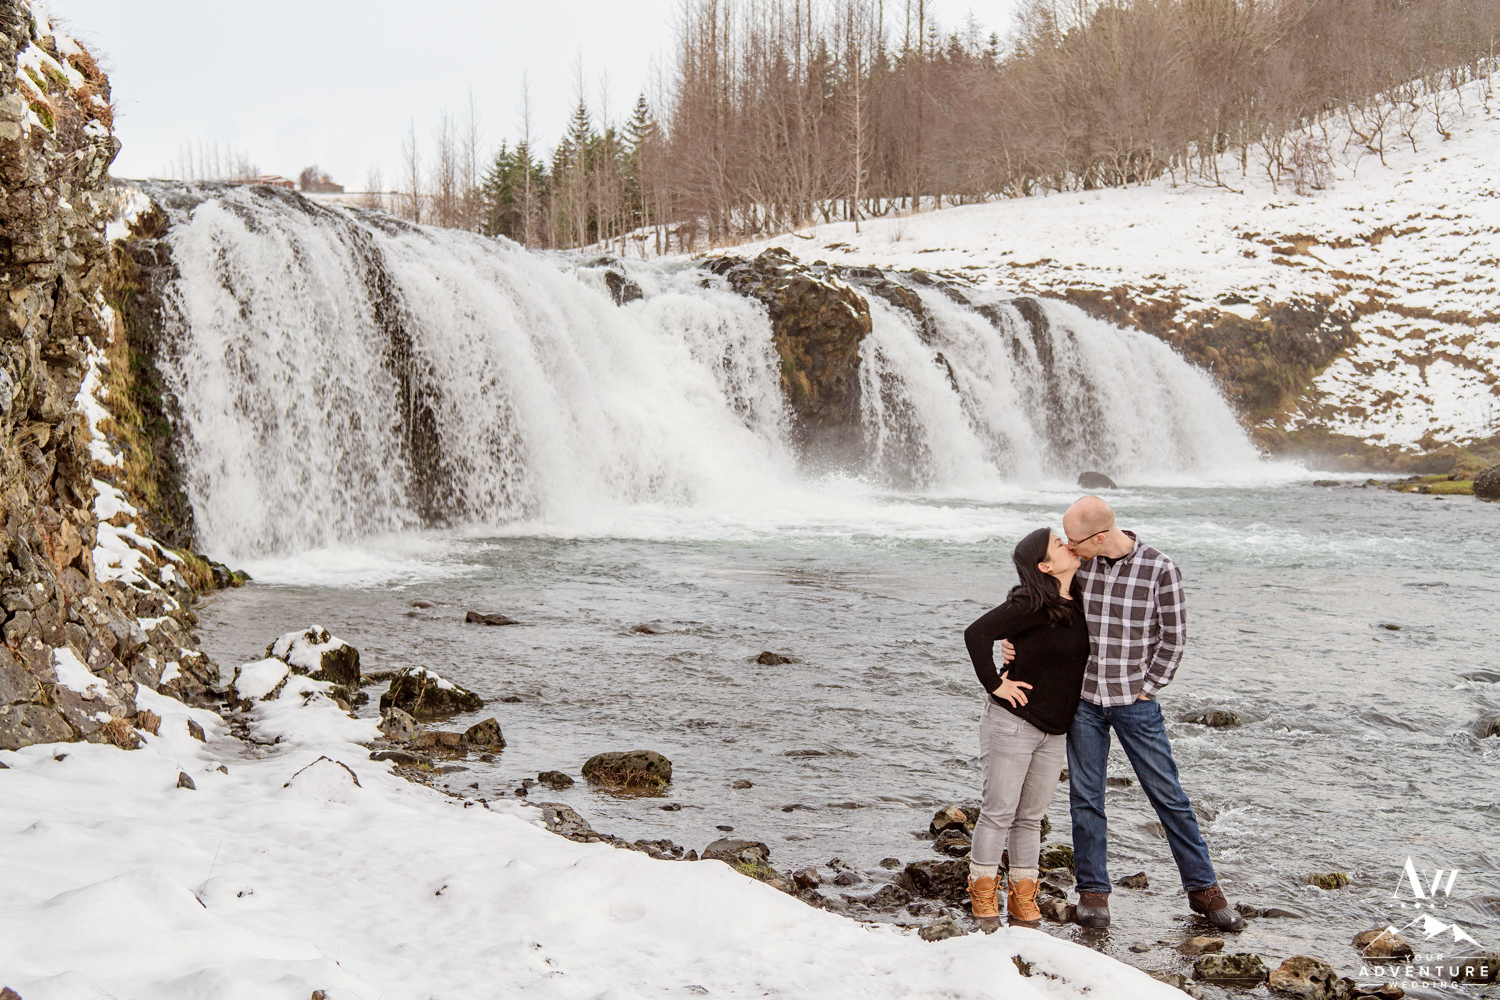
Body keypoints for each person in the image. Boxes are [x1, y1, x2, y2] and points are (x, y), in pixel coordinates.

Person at [1006, 495, 1244, 931]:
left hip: (1135, 704)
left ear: (1099, 537)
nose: (1069, 548)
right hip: (1082, 701)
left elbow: (1173, 638)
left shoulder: (1160, 569)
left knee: (1168, 795)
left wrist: (1147, 688)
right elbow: (1037, 599)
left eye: (1075, 540)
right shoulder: (1080, 566)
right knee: (1086, 797)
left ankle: (1204, 889)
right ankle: (1093, 892)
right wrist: (1009, 641)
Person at [962, 527, 1091, 929]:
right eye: (1058, 543)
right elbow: (976, 633)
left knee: (1031, 817)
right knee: (999, 811)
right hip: (1013, 722)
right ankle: (983, 895)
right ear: (1045, 566)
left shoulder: (1082, 599)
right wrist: (996, 683)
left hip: (1055, 729)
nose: (1068, 544)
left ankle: (1022, 898)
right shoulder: (1029, 603)